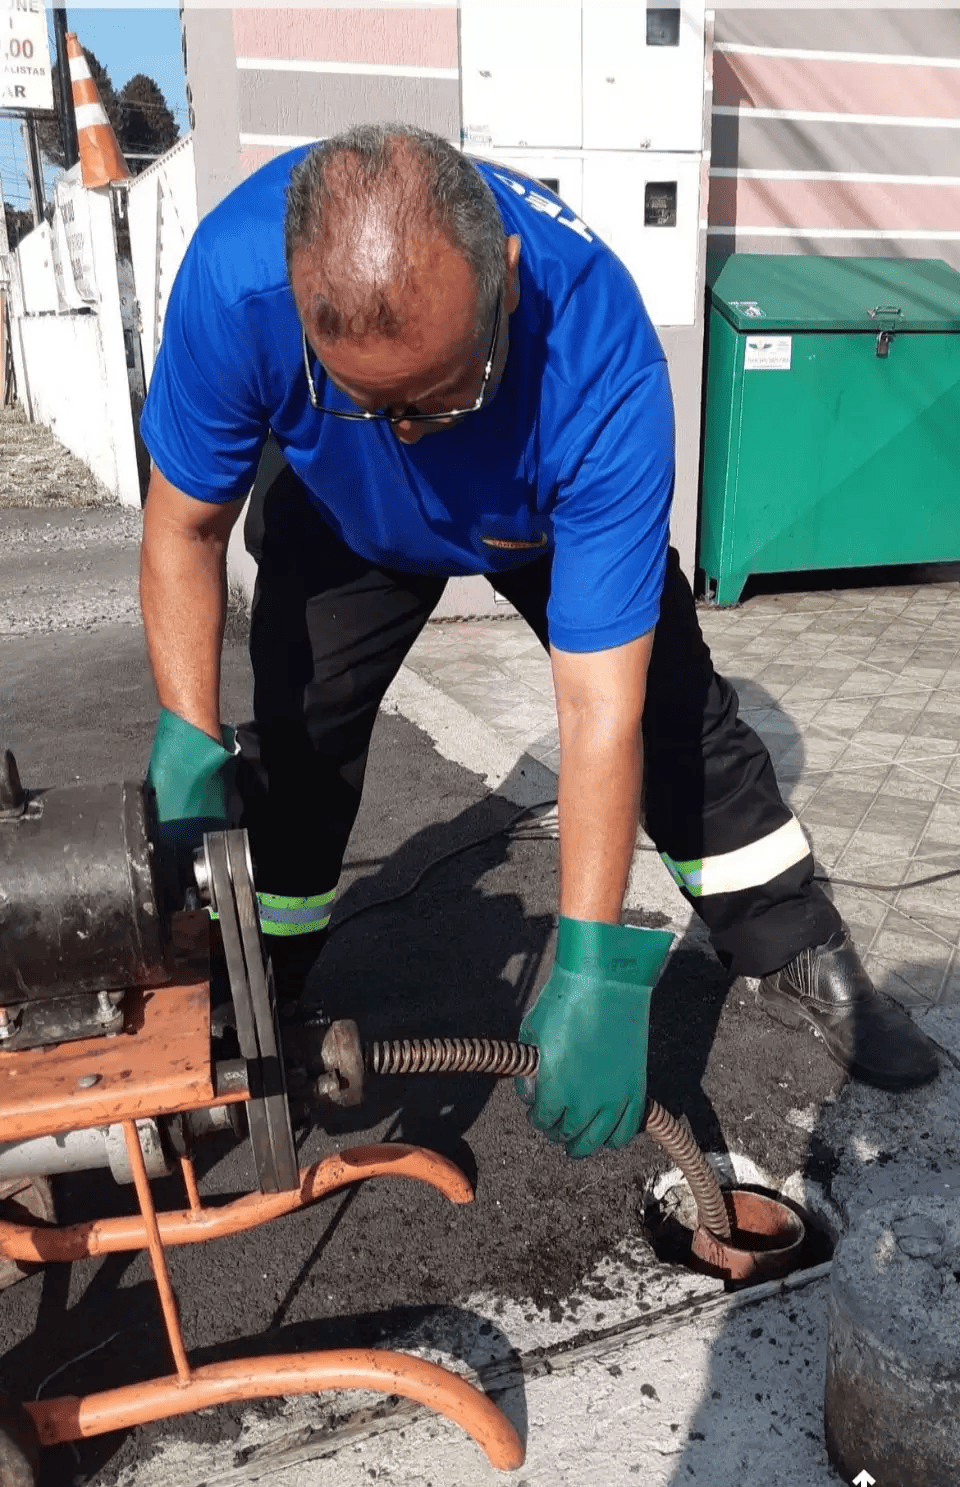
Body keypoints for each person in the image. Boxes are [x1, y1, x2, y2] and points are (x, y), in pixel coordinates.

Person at [139, 124, 938, 1162]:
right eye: (371, 401)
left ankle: (793, 939)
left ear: (506, 280)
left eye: (442, 395)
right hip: (344, 516)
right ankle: (265, 985)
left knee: (674, 713)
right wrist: (186, 730)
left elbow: (596, 710)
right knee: (300, 734)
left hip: (534, 516)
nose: (409, 434)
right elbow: (184, 527)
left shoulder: (600, 365)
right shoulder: (235, 281)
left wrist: (591, 966)